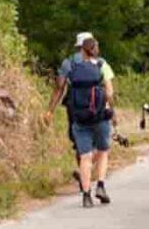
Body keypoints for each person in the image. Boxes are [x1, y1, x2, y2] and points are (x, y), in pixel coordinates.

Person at [46, 36, 116, 207]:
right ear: (93, 47)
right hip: (100, 115)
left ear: (79, 46)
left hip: (78, 114)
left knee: (84, 155)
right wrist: (112, 112)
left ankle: (86, 195)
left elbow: (59, 87)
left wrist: (50, 110)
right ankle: (100, 184)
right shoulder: (101, 64)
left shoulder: (68, 64)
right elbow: (109, 93)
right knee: (103, 150)